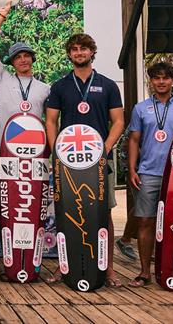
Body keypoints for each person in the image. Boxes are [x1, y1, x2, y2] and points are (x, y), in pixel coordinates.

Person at [45, 33, 125, 287]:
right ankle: (64, 265)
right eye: (75, 50)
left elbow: (119, 121)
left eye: (84, 49)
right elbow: (50, 121)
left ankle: (108, 268)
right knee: (65, 213)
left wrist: (106, 147)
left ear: (92, 52)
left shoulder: (108, 85)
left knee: (105, 213)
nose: (79, 53)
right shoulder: (60, 86)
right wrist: (56, 150)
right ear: (69, 54)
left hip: (99, 161)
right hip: (68, 161)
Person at [127, 62, 173, 287]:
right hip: (148, 172)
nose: (161, 82)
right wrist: (132, 168)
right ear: (150, 81)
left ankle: (171, 270)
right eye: (156, 78)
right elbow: (134, 140)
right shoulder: (140, 108)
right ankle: (144, 272)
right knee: (145, 222)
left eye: (165, 78)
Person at [0, 1, 51, 139]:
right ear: (12, 62)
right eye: (18, 57)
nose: (23, 59)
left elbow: (51, 122)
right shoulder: (2, 79)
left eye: (26, 56)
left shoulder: (45, 88)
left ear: (32, 59)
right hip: (6, 151)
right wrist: (2, 15)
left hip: (36, 150)